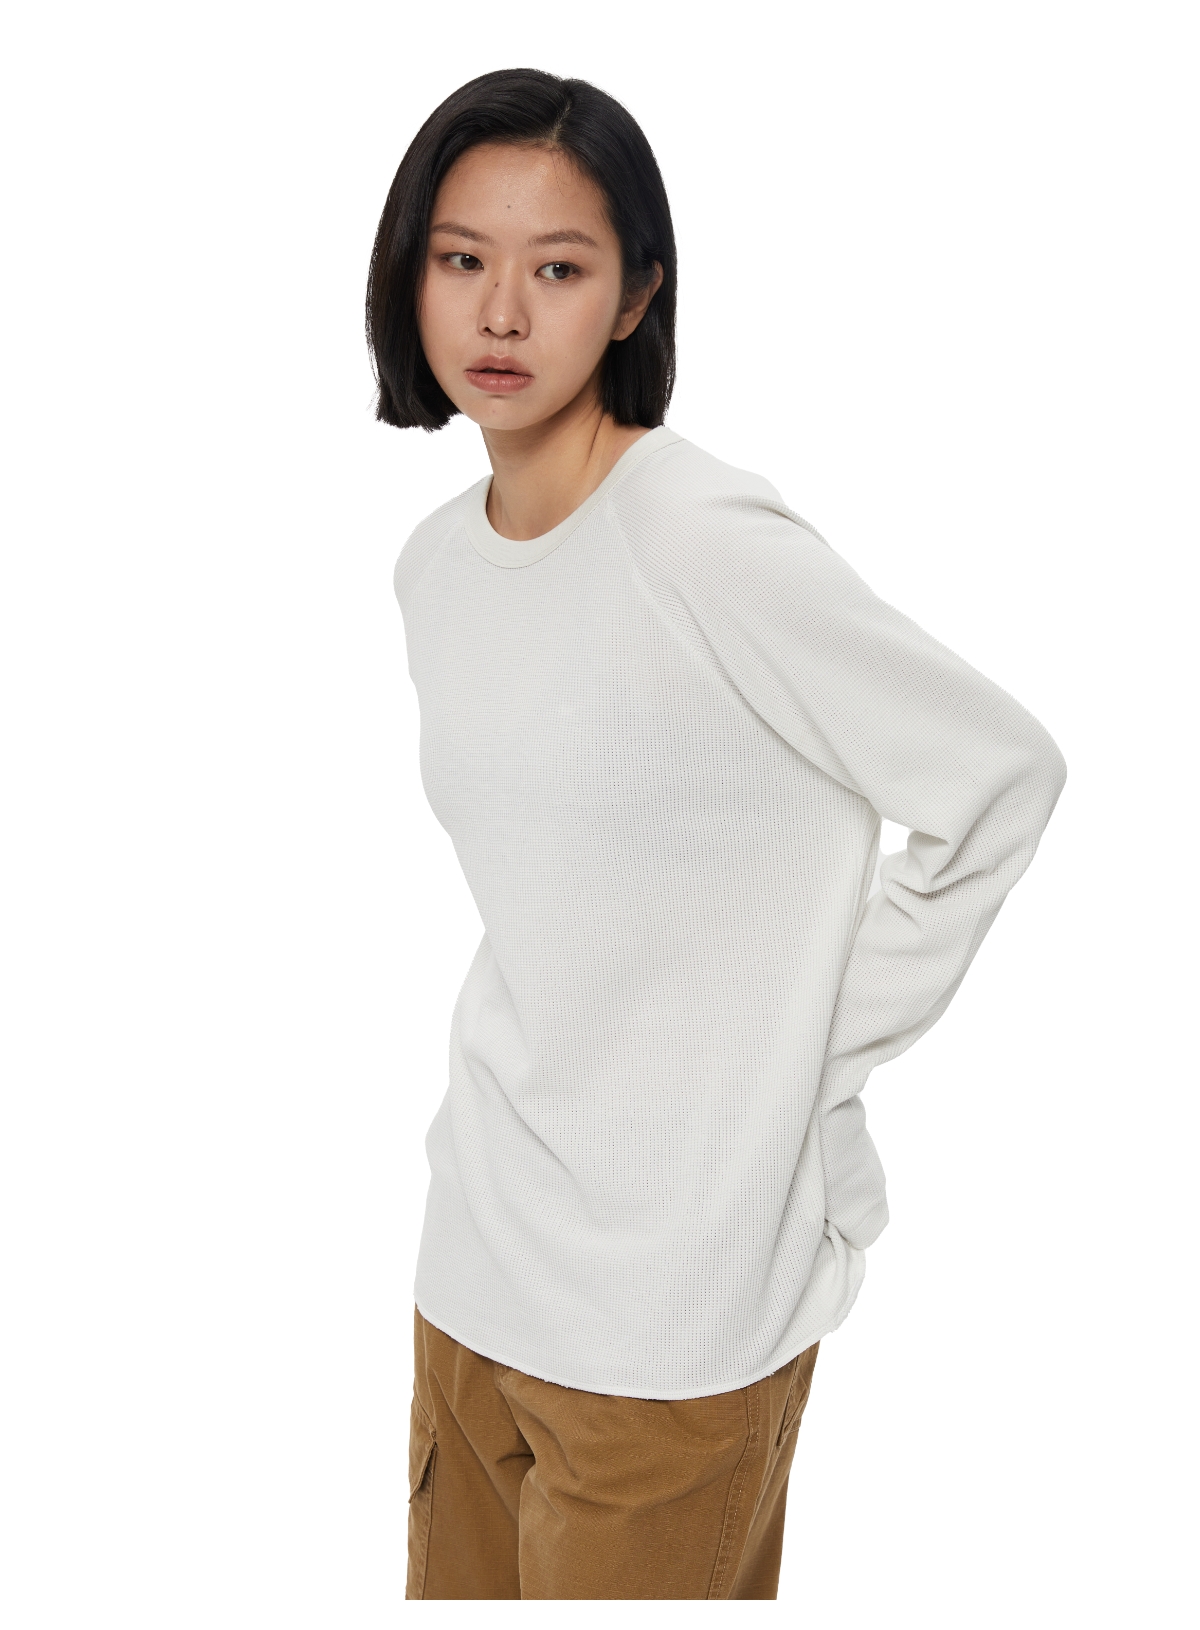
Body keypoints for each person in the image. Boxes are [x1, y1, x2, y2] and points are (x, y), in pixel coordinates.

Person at [365, 67, 1067, 1602]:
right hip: (474, 1270)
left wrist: (808, 1050)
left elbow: (999, 776)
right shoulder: (435, 568)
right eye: (462, 258)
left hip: (670, 1319)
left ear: (635, 297)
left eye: (559, 268)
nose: (501, 311)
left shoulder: (695, 539)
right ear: (409, 271)